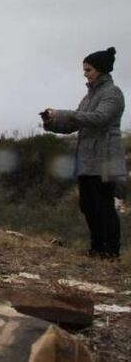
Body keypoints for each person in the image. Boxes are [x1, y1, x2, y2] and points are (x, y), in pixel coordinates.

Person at [43, 47, 125, 259]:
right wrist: (52, 123)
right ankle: (96, 248)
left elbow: (100, 118)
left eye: (88, 69)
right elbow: (74, 123)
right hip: (87, 159)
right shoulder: (90, 95)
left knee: (104, 205)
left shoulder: (112, 93)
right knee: (88, 205)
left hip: (104, 158)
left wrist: (65, 113)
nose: (85, 73)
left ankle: (111, 251)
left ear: (101, 70)